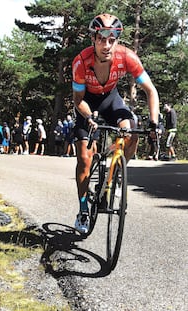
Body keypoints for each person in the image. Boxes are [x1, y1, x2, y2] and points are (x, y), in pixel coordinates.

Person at [71, 14, 159, 233]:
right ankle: (83, 208)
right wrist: (90, 118)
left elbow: (151, 90)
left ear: (117, 40)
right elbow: (77, 100)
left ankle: (117, 173)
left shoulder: (127, 57)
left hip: (111, 99)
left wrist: (155, 123)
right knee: (84, 158)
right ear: (93, 39)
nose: (107, 45)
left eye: (112, 39)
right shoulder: (81, 62)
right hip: (86, 102)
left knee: (132, 129)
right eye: (101, 38)